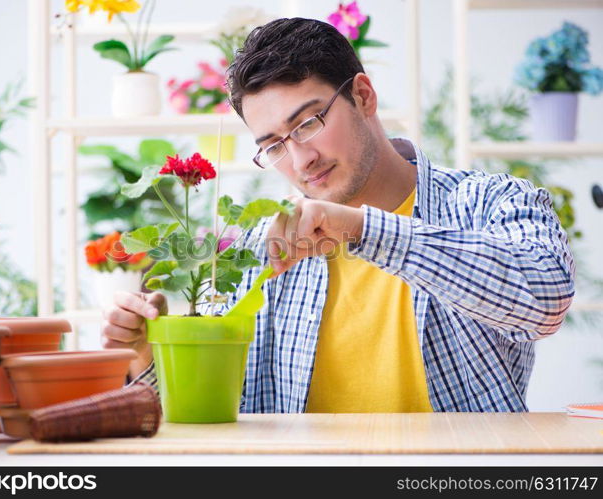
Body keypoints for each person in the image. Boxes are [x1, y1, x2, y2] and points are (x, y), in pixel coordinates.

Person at [101, 18, 575, 413]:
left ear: (363, 96)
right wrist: (144, 356)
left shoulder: (488, 202)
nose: (300, 160)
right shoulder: (257, 252)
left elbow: (547, 299)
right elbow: (221, 419)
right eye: (273, 145)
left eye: (308, 123)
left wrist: (364, 228)